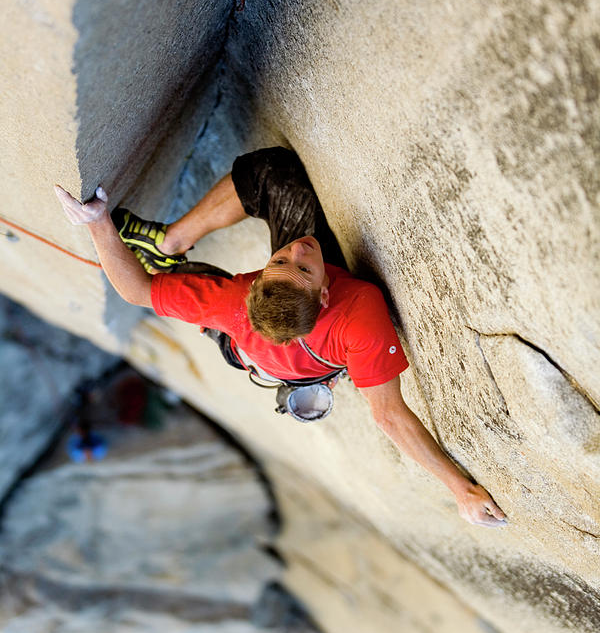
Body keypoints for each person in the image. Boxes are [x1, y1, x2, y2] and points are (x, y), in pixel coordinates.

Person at [55, 147, 507, 527]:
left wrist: (99, 224)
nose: (296, 250)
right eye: (291, 262)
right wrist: (461, 489)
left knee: (267, 175)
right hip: (251, 341)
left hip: (254, 348)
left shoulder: (293, 303)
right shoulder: (316, 305)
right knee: (259, 189)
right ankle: (166, 245)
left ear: (322, 295)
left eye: (292, 262)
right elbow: (388, 414)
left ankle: (168, 245)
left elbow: (137, 290)